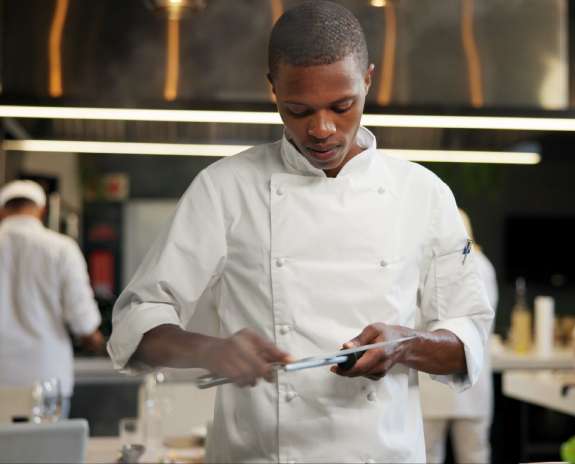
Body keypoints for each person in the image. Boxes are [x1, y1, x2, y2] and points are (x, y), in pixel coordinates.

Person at [107, 2, 494, 462]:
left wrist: (404, 345)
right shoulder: (225, 188)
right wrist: (211, 350)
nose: (322, 129)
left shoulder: (424, 193)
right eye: (299, 110)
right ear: (273, 90)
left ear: (368, 79)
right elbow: (135, 320)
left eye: (342, 106)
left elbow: (467, 334)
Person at [0, 180, 104, 417]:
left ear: (3, 210)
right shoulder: (61, 248)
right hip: (45, 375)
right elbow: (83, 320)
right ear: (41, 210)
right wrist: (98, 342)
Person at [420, 209, 498, 464]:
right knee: (475, 455)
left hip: (433, 381)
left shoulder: (429, 265)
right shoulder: (483, 265)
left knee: (428, 454)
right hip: (471, 381)